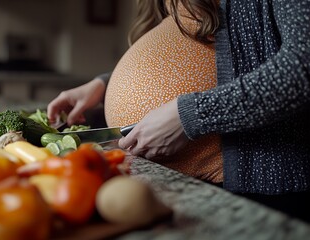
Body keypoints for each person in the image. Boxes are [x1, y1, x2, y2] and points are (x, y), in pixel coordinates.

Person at [48, 0, 310, 222]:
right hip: (167, 185)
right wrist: (105, 84)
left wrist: (190, 116)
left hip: (248, 194)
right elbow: (188, 53)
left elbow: (302, 68)